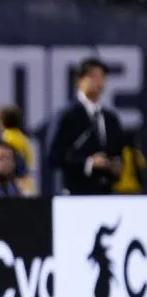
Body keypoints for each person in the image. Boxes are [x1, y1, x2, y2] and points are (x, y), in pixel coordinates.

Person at [47, 58, 126, 195]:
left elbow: (118, 150)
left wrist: (115, 165)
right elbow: (54, 155)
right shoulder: (67, 115)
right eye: (93, 76)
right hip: (75, 193)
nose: (99, 81)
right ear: (79, 81)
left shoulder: (110, 118)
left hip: (106, 193)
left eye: (102, 76)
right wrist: (88, 162)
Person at [0, 105, 35, 195]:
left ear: (2, 121)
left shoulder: (8, 139)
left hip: (18, 186)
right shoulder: (22, 137)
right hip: (26, 183)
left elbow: (19, 163)